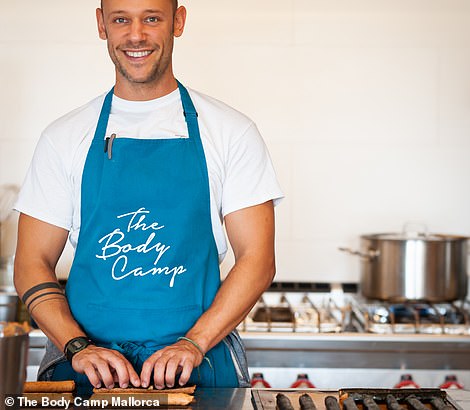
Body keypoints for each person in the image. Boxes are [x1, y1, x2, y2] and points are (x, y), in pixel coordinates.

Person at [14, 0, 283, 395]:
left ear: (179, 21)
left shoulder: (231, 132)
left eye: (151, 19)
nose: (135, 35)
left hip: (199, 365)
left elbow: (258, 260)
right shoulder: (64, 137)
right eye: (121, 19)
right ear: (101, 24)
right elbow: (30, 262)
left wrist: (194, 343)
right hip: (87, 371)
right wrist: (77, 346)